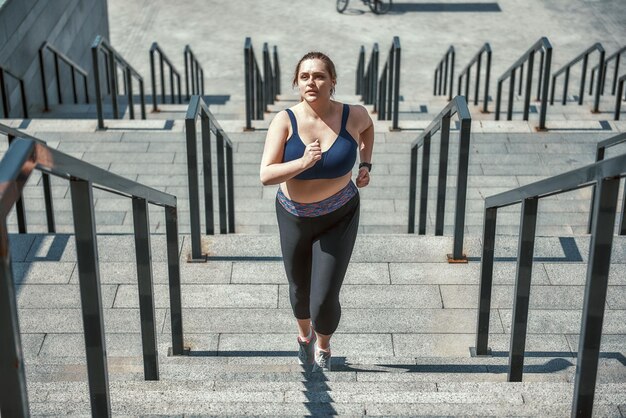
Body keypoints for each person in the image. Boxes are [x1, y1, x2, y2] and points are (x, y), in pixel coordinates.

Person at [260, 51, 374, 372]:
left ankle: (323, 345)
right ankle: (304, 338)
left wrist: (365, 163)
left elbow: (367, 129)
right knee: (299, 289)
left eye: (320, 75)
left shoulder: (353, 115)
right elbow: (266, 174)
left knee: (323, 299)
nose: (312, 81)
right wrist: (303, 163)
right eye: (305, 76)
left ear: (332, 81)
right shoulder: (285, 121)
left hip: (340, 214)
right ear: (297, 82)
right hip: (294, 215)